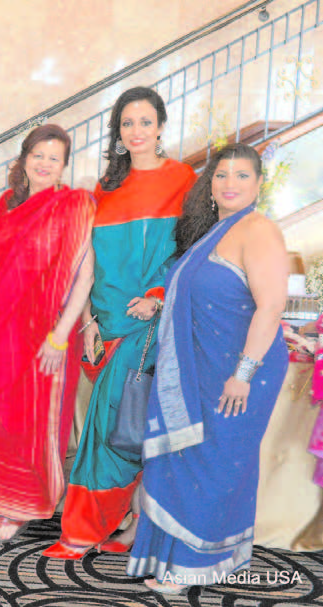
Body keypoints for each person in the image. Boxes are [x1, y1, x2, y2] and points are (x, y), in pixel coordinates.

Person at [126, 143, 288, 594]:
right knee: (184, 458)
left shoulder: (258, 229)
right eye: (221, 175)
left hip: (238, 372)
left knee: (215, 463)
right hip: (200, 368)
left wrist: (244, 372)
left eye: (241, 176)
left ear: (259, 184)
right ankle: (172, 556)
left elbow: (271, 304)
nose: (229, 184)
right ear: (210, 184)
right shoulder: (213, 232)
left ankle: (196, 564)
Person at [43, 87, 197, 559]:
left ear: (161, 126)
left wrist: (156, 296)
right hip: (105, 323)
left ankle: (83, 530)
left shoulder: (184, 179)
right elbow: (88, 261)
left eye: (145, 122)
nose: (136, 132)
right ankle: (129, 526)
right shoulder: (103, 187)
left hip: (148, 322)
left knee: (111, 427)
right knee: (131, 422)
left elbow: (191, 249)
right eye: (127, 124)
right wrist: (87, 320)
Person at [0, 124, 95, 540]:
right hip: (2, 329)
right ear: (25, 158)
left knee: (33, 420)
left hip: (47, 332)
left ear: (63, 166)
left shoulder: (74, 204)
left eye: (54, 158)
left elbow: (84, 274)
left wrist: (62, 333)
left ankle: (21, 506)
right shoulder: (5, 203)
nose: (44, 164)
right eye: (38, 155)